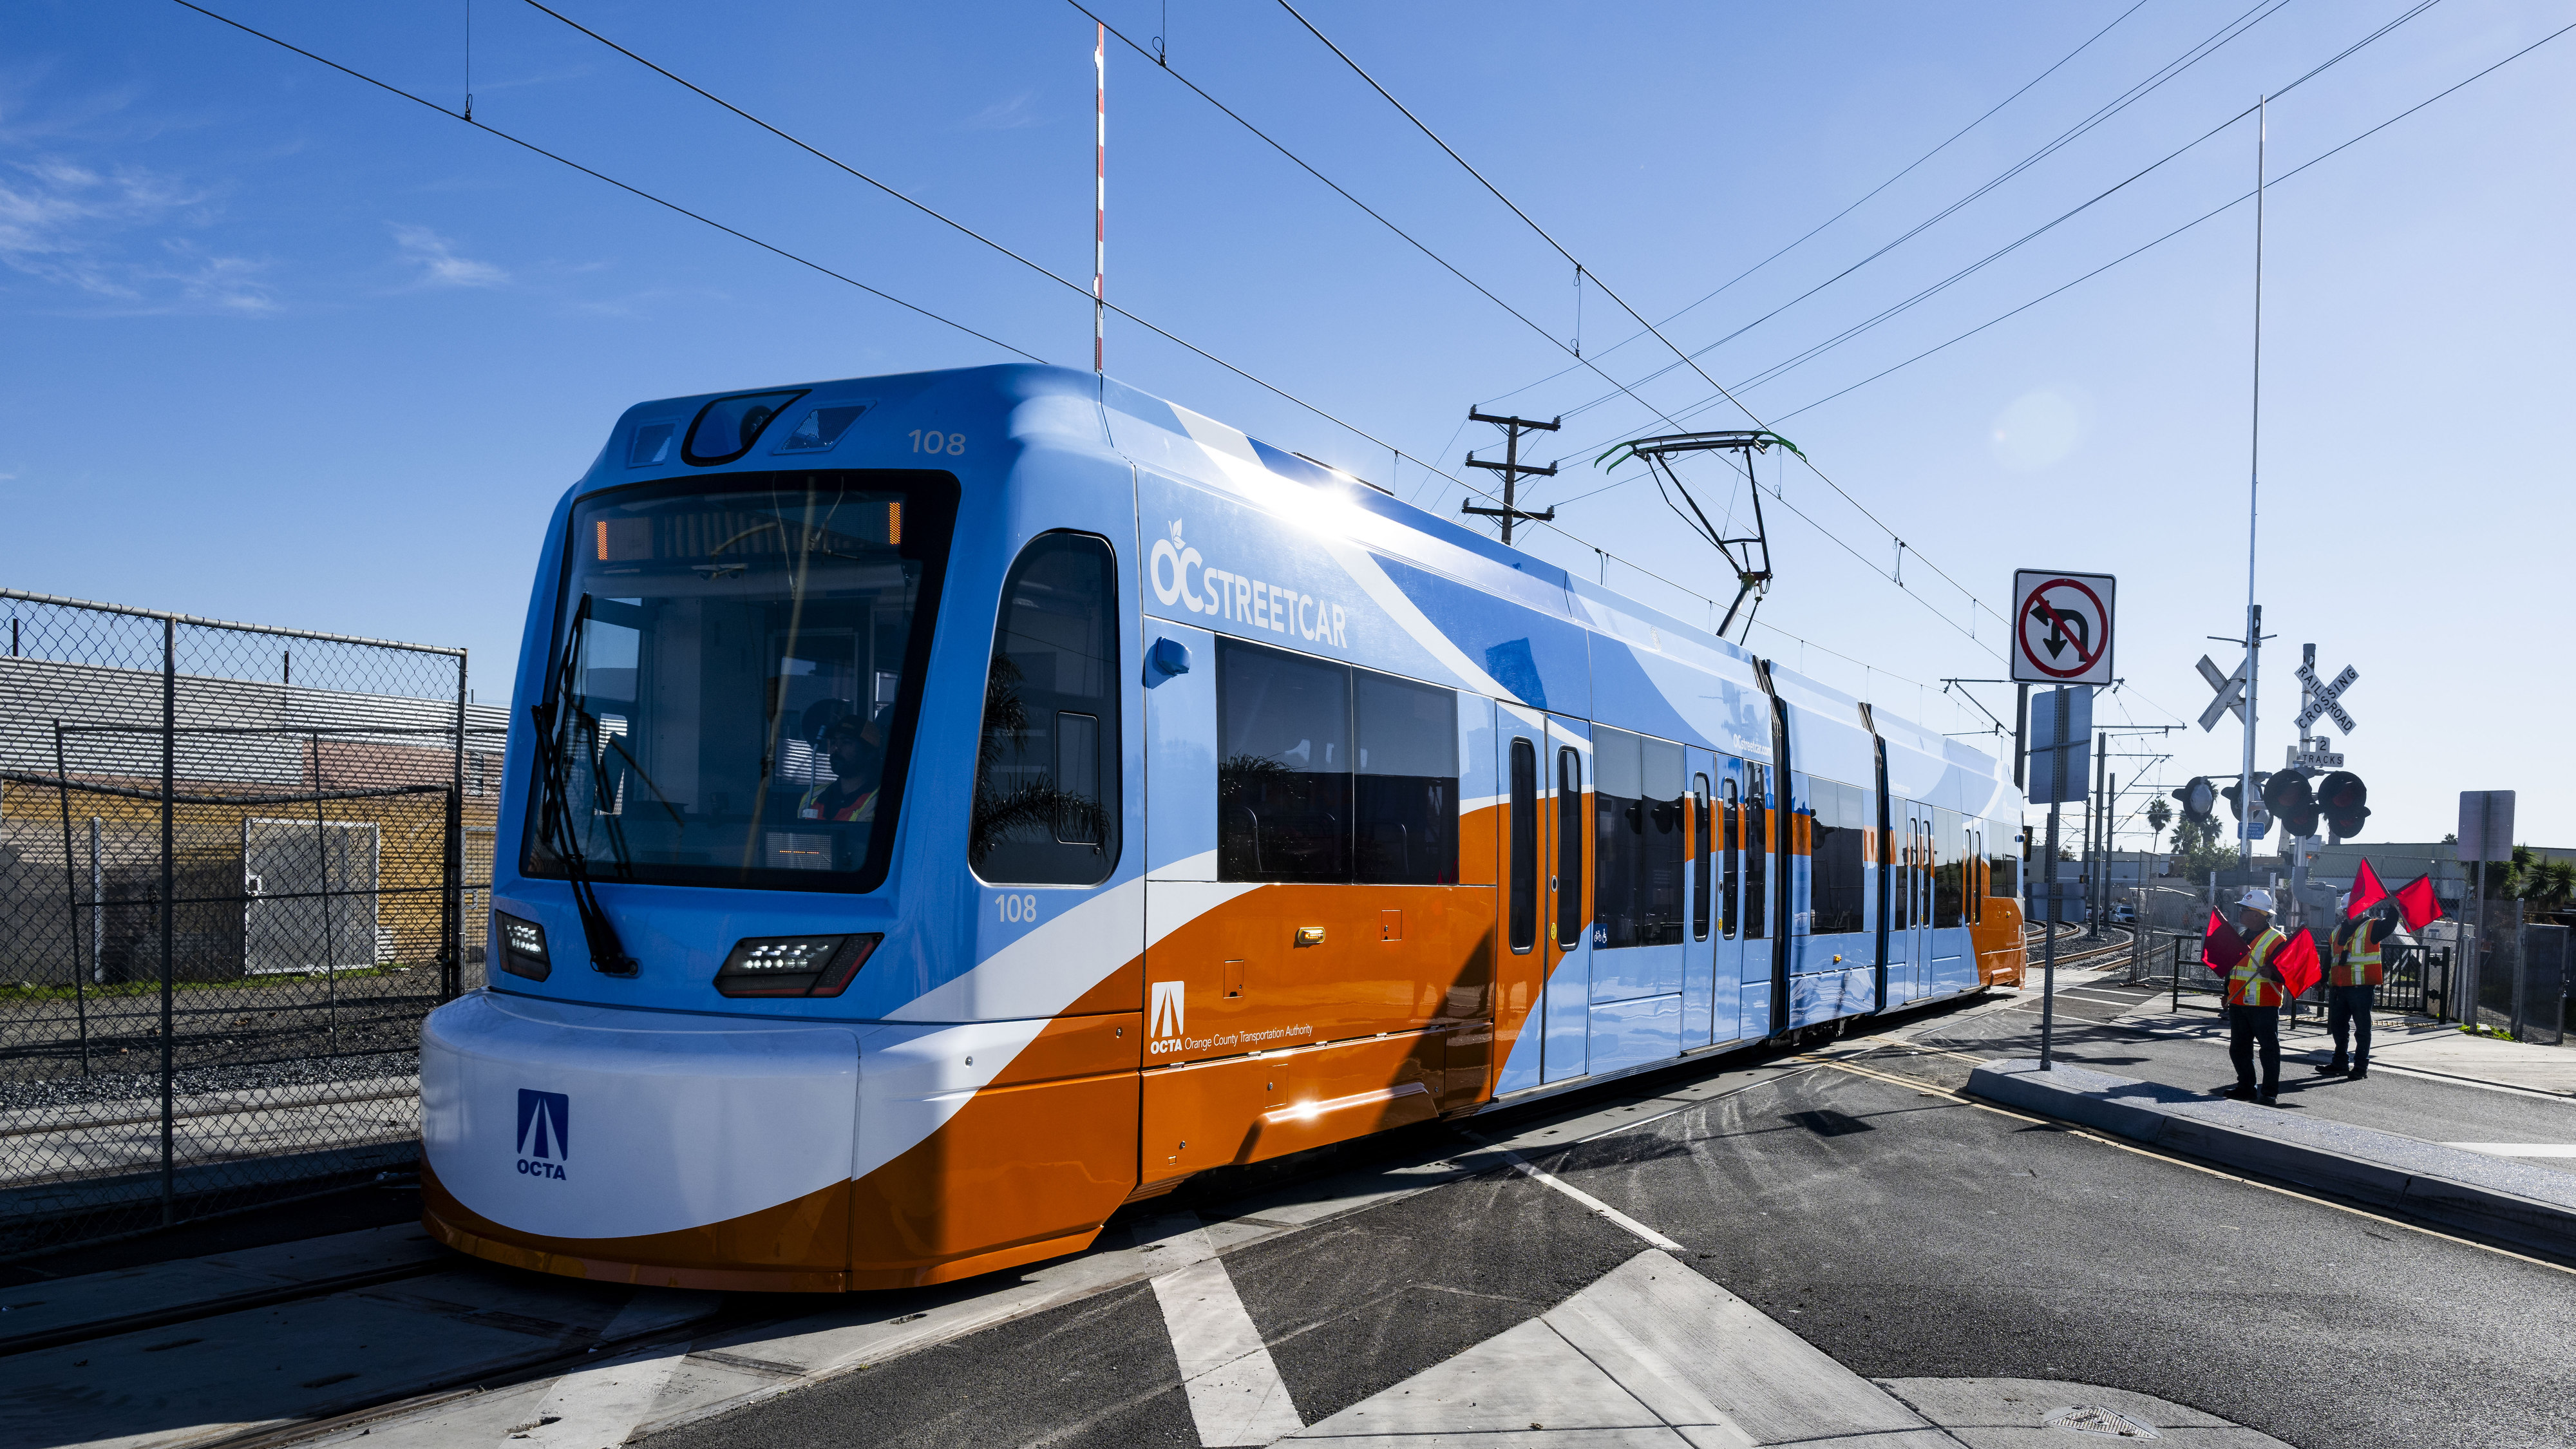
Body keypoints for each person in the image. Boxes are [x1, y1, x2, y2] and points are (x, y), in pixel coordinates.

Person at [2213, 888, 2290, 1104]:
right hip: (2238, 1001)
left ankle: (2269, 1093)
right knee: (2239, 1049)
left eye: (2244, 909)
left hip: (2264, 1003)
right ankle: (2246, 1087)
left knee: (2269, 1050)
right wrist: (2226, 993)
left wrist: (2273, 973)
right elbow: (2233, 969)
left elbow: (2288, 972)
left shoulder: (2277, 940)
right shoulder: (2240, 937)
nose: (2240, 913)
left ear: (2258, 914)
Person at [2319, 895, 2400, 1079]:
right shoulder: (2337, 931)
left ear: (2363, 909)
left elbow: (2389, 926)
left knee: (2362, 1029)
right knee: (2338, 1027)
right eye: (2348, 909)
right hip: (2339, 988)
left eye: (2354, 909)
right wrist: (2323, 979)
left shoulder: (2373, 926)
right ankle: (2340, 1063)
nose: (2351, 912)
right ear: (2344, 911)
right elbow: (2329, 959)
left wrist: (2393, 908)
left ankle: (2360, 1067)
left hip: (2361, 988)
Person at [799, 714, 886, 824]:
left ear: (870, 753)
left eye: (846, 742)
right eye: (834, 741)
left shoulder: (880, 801)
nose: (835, 748)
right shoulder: (811, 797)